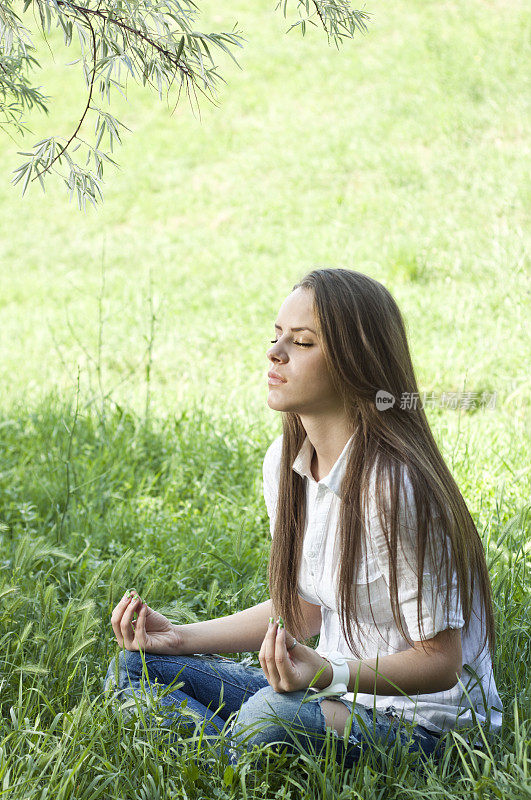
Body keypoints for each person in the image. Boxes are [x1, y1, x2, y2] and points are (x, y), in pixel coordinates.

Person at [105, 268, 503, 771]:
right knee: (136, 666)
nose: (275, 353)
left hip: (425, 729)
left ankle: (225, 749)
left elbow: (440, 663)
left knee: (270, 714)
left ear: (354, 363)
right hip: (334, 695)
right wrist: (178, 637)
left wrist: (325, 675)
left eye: (302, 342)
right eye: (276, 337)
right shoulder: (285, 462)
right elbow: (304, 609)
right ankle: (238, 748)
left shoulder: (394, 487)